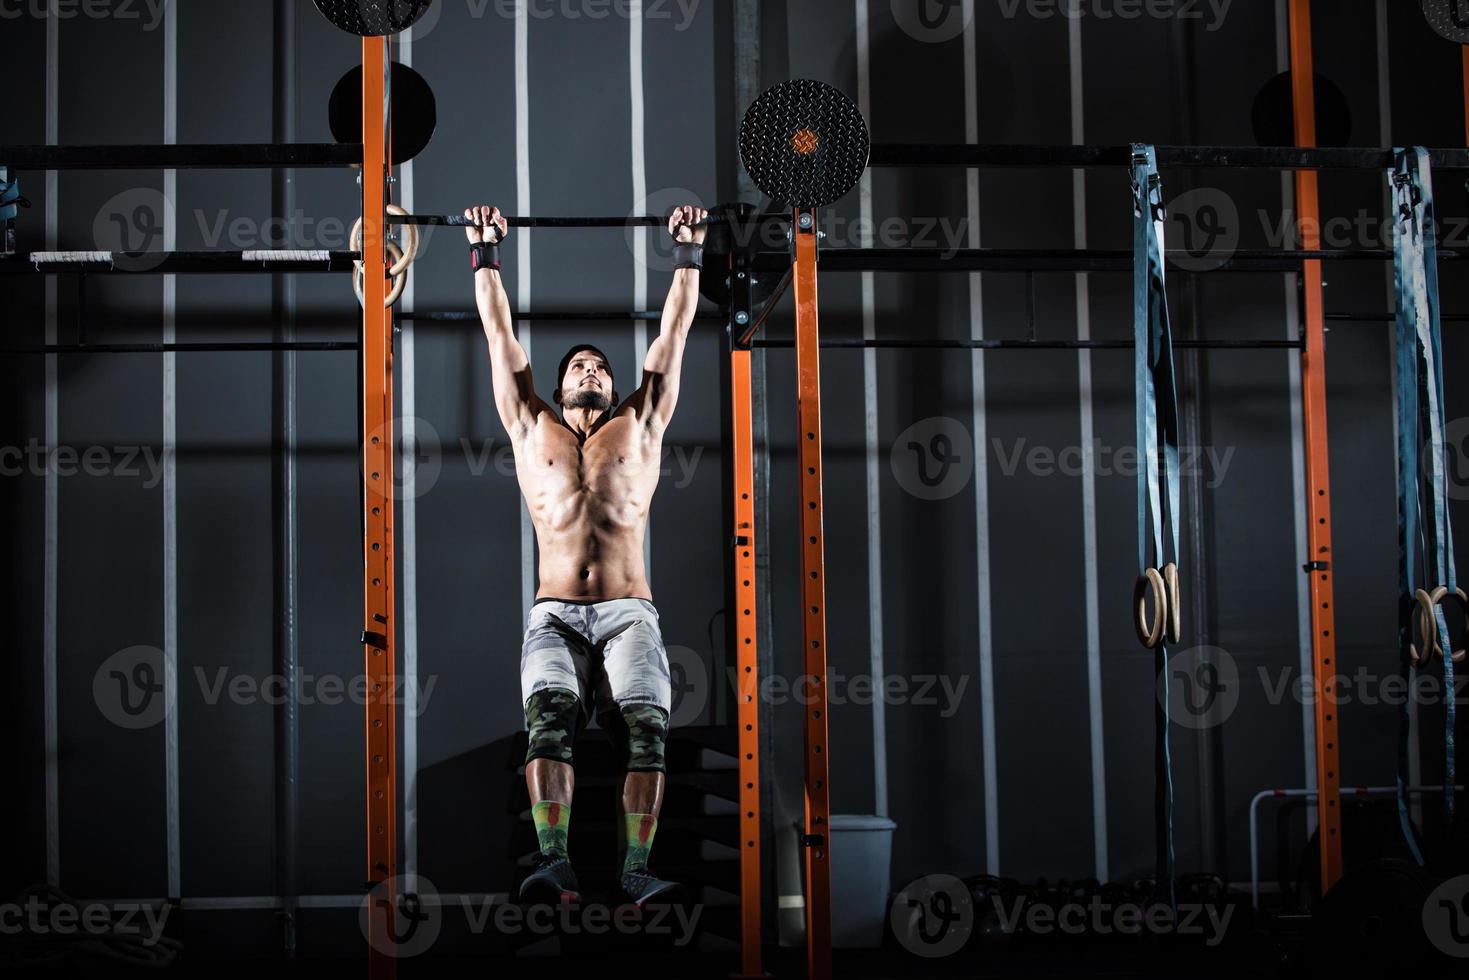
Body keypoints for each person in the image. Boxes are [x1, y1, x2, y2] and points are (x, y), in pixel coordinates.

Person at [465, 203, 707, 908]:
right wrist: (484, 251)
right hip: (555, 613)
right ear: (562, 383)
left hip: (630, 612)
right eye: (579, 365)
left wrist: (688, 251)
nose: (591, 371)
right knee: (548, 726)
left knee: (649, 736)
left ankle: (636, 869)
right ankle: (554, 864)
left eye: (600, 366)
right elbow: (498, 333)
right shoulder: (527, 422)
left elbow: (674, 334)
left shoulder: (642, 420)